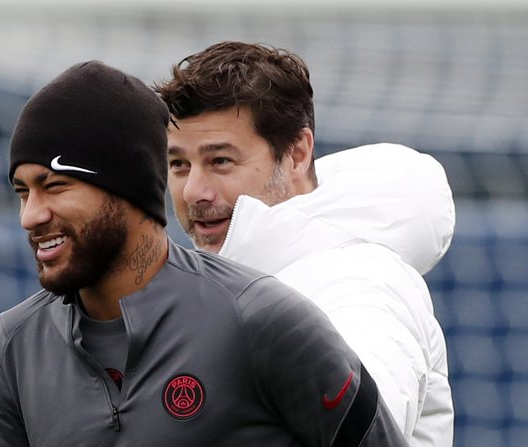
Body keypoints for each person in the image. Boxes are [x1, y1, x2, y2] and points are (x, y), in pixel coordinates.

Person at [0, 60, 407, 446]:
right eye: (22, 192)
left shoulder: (264, 318)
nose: (30, 216)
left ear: (126, 190)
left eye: (54, 186)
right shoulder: (11, 346)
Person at [155, 41, 455, 447]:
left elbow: (363, 435)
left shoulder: (360, 286)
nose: (193, 191)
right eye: (179, 165)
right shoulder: (220, 284)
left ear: (297, 154)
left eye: (220, 161)